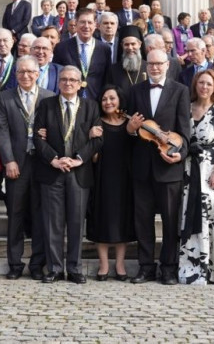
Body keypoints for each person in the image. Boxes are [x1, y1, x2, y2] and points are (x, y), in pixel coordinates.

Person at [126, 49, 191, 284]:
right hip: (142, 168)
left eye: (159, 63)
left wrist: (180, 155)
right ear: (146, 66)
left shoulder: (180, 91)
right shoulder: (135, 91)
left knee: (171, 221)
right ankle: (145, 267)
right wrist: (131, 130)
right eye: (150, 64)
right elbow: (130, 131)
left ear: (167, 65)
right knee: (142, 221)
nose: (154, 68)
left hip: (169, 166)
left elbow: (185, 131)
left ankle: (169, 267)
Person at [34, 66, 101, 284]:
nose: (68, 83)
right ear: (58, 82)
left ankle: (74, 268)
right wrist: (53, 159)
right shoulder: (46, 105)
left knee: (75, 223)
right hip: (52, 171)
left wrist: (78, 158)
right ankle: (54, 268)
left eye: (73, 80)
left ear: (80, 83)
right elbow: (37, 137)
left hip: (79, 172)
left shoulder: (90, 106)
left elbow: (98, 139)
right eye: (64, 79)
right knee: (53, 223)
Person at [174, 71, 214, 285]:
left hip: (212, 171)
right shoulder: (186, 108)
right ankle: (192, 269)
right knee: (190, 216)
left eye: (209, 84)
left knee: (213, 218)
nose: (204, 87)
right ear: (195, 85)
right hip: (188, 169)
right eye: (201, 83)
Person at [0, 57, 55, 279]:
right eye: (21, 72)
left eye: (30, 72)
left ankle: (37, 263)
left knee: (40, 215)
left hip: (41, 164)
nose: (26, 76)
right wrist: (8, 160)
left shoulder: (49, 97)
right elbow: (1, 131)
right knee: (16, 214)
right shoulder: (5, 97)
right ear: (16, 74)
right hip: (16, 165)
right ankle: (15, 263)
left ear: (38, 73)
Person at [88, 86, 136, 281]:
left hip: (125, 177)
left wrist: (132, 131)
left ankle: (121, 265)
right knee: (102, 219)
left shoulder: (129, 123)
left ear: (119, 100)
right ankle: (104, 265)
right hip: (101, 177)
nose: (108, 102)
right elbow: (92, 155)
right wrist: (91, 137)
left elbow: (136, 150)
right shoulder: (97, 123)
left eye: (112, 98)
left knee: (122, 220)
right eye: (104, 99)